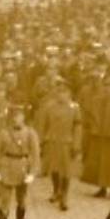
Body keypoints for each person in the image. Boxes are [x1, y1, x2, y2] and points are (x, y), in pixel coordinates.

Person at [0, 103, 40, 219]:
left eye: (19, 116)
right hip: (6, 166)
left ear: (24, 118)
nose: (16, 119)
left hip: (22, 168)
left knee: (21, 200)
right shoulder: (3, 133)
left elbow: (36, 155)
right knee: (4, 199)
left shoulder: (30, 133)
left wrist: (32, 173)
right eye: (14, 116)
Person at [32, 79, 80, 211]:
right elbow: (42, 125)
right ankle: (56, 190)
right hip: (52, 141)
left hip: (67, 143)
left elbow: (77, 127)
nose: (61, 95)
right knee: (54, 169)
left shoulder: (74, 108)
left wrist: (76, 145)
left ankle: (64, 196)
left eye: (64, 92)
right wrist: (40, 142)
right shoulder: (49, 107)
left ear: (70, 93)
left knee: (66, 171)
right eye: (59, 92)